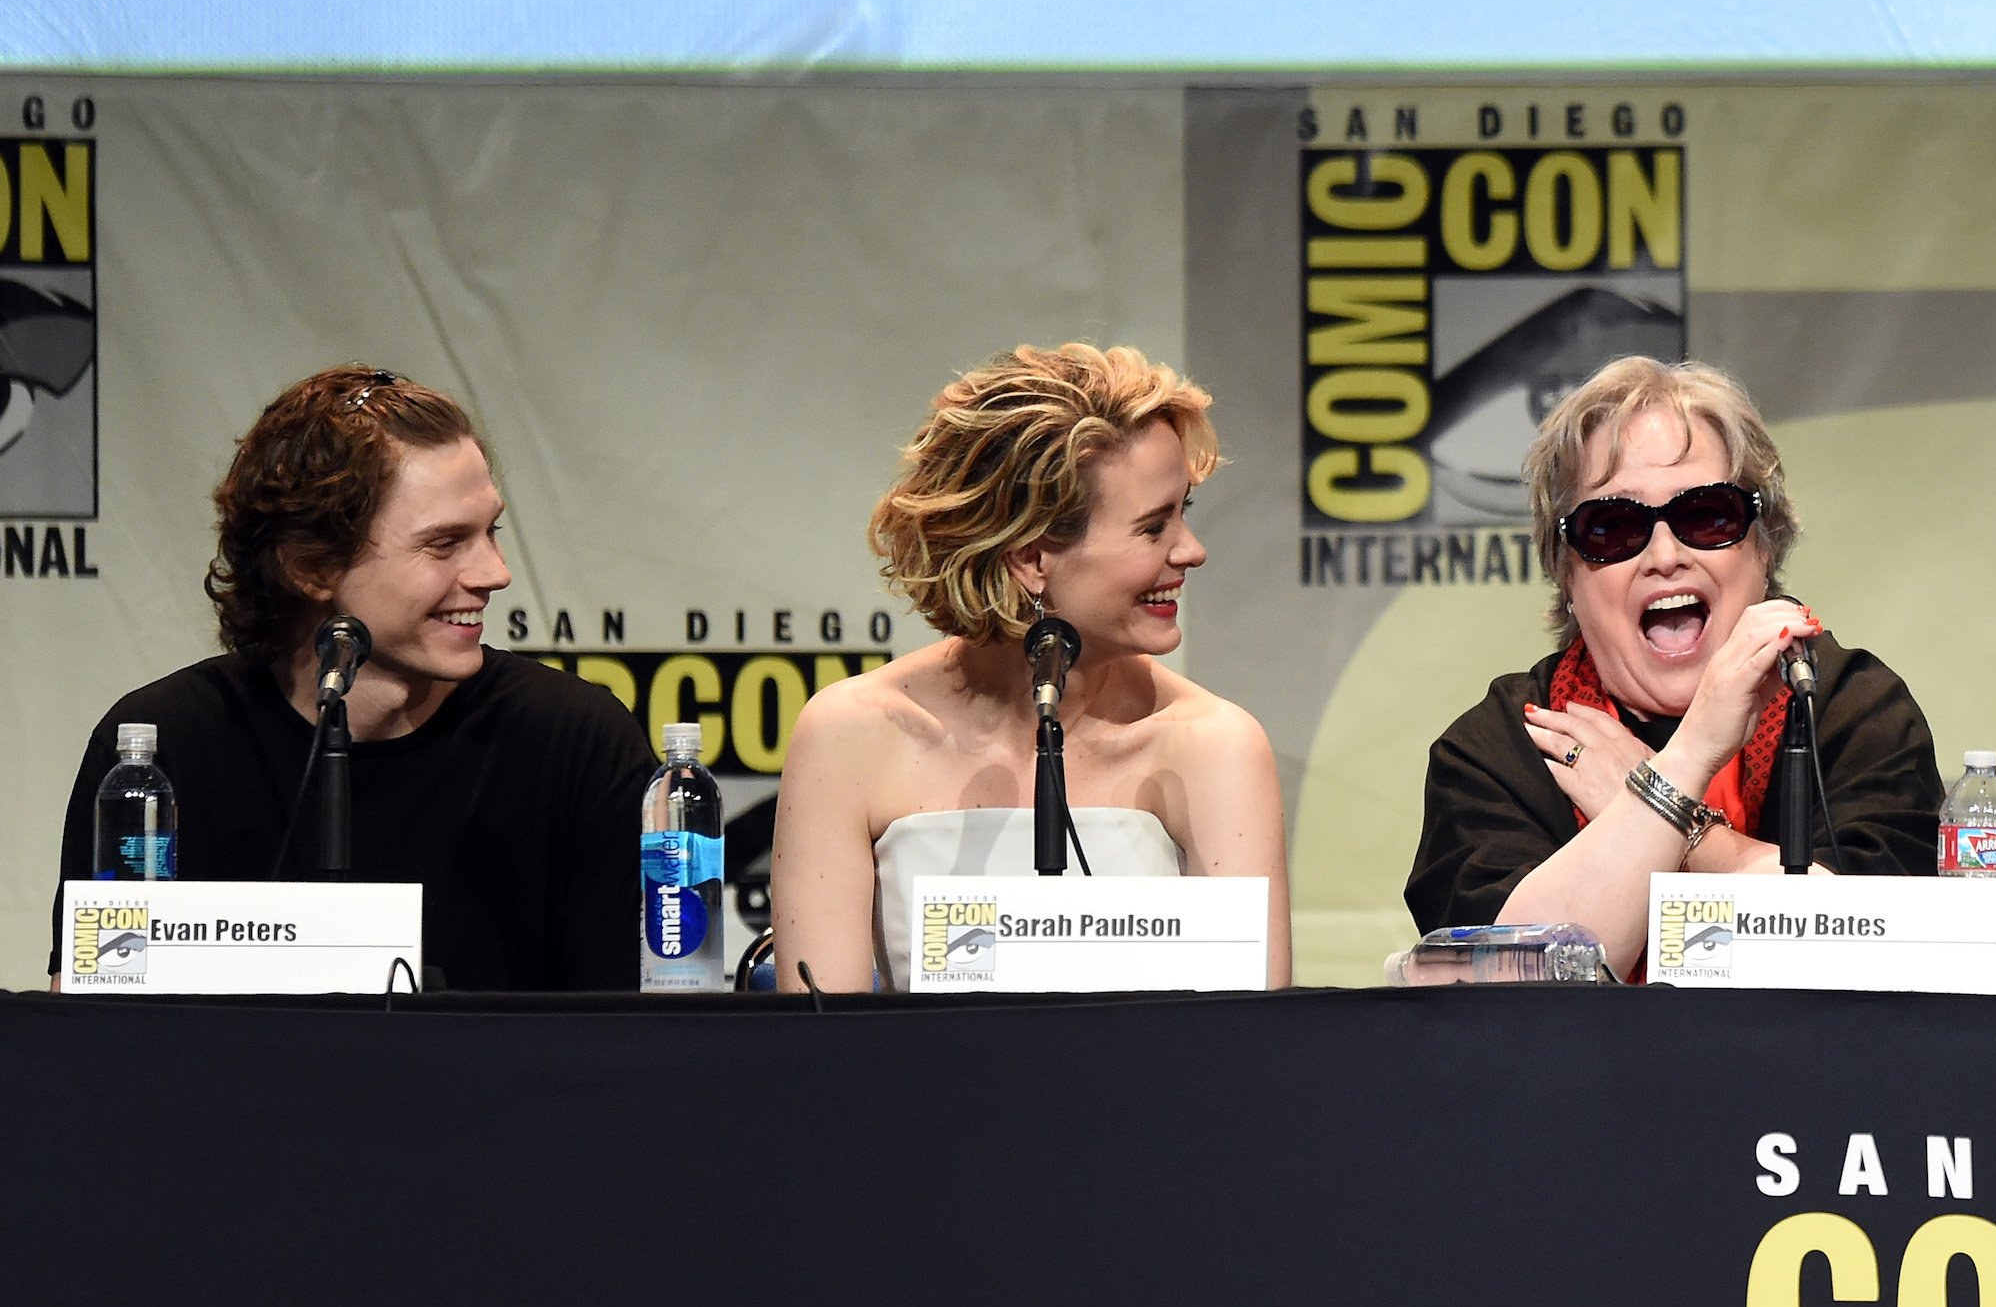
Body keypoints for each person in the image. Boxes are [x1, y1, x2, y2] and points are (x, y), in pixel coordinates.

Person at [49, 365, 659, 991]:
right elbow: (89, 1036)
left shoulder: (576, 742)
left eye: (490, 532)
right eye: (445, 543)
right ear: (310, 565)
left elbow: (630, 1049)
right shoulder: (162, 753)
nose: (495, 572)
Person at [771, 343, 1292, 991]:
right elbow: (820, 1055)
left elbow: (1251, 1051)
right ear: (1031, 556)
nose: (1193, 550)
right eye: (1154, 526)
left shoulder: (1215, 746)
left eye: (1184, 512)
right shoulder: (849, 735)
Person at [1406, 356, 1941, 979]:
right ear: (1565, 572)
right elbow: (1512, 985)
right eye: (1612, 528)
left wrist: (1667, 816)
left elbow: (1879, 952)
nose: (1665, 555)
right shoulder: (1503, 746)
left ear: (1764, 545)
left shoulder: (1850, 709)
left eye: (1706, 516)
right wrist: (1692, 759)